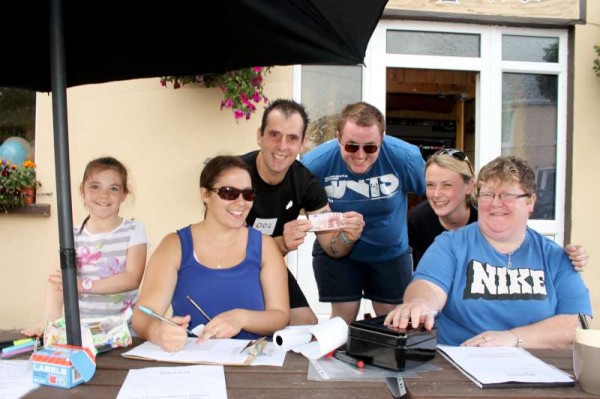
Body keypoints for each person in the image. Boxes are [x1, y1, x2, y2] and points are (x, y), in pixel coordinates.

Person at [385, 156, 592, 348]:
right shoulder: (451, 245)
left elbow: (577, 322)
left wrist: (513, 338)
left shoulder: (554, 257)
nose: (495, 203)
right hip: (459, 368)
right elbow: (427, 286)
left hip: (534, 370)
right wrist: (420, 304)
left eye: (506, 195)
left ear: (530, 201)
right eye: (487, 195)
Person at [131, 156, 289, 352]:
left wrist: (242, 318)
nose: (241, 202)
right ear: (205, 195)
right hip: (191, 364)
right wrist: (158, 332)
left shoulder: (265, 246)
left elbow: (280, 316)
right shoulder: (175, 246)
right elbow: (143, 315)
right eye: (229, 193)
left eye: (248, 194)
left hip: (252, 363)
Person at [241, 99, 365, 325]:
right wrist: (280, 243)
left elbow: (332, 246)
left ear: (302, 144)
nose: (282, 146)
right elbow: (224, 245)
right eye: (274, 135)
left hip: (269, 268)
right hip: (223, 268)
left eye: (292, 138)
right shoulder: (236, 174)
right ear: (259, 136)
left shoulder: (306, 183)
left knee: (306, 326)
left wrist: (348, 235)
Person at [301, 102, 426, 325]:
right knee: (342, 320)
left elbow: (432, 194)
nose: (360, 155)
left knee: (392, 322)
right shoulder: (315, 164)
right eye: (351, 146)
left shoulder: (406, 158)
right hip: (337, 251)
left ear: (383, 139)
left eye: (370, 148)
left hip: (389, 252)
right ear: (338, 138)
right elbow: (301, 205)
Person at [23, 156, 148, 336]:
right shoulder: (71, 236)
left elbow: (132, 278)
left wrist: (83, 286)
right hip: (80, 331)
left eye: (113, 188)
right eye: (95, 187)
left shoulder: (134, 231)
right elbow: (57, 281)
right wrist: (50, 320)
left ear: (124, 195)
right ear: (83, 191)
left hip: (123, 330)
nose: (103, 195)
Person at [408, 148, 589, 270]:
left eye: (447, 185)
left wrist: (566, 258)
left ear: (470, 186)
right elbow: (421, 272)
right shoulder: (418, 220)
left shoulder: (487, 211)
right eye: (430, 185)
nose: (436, 193)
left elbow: (523, 244)